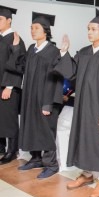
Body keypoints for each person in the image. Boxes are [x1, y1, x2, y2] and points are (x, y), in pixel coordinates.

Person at [54, 9, 99, 197]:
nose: (89, 32)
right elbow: (71, 74)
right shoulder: (84, 52)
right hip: (83, 105)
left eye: (93, 29)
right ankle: (86, 174)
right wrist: (64, 53)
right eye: (88, 29)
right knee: (83, 138)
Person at [17, 12, 63, 179]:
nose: (32, 31)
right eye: (31, 28)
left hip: (45, 99)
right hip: (30, 97)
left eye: (36, 28)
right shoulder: (31, 49)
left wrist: (48, 103)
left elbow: (56, 80)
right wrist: (16, 47)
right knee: (31, 127)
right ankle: (36, 158)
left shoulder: (53, 51)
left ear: (45, 30)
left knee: (46, 131)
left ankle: (51, 164)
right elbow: (20, 68)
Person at [0, 5, 26, 165]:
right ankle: (1, 147)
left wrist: (9, 87)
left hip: (8, 87)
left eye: (0, 19)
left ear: (9, 20)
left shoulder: (16, 40)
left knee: (9, 120)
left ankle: (12, 151)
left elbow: (18, 65)